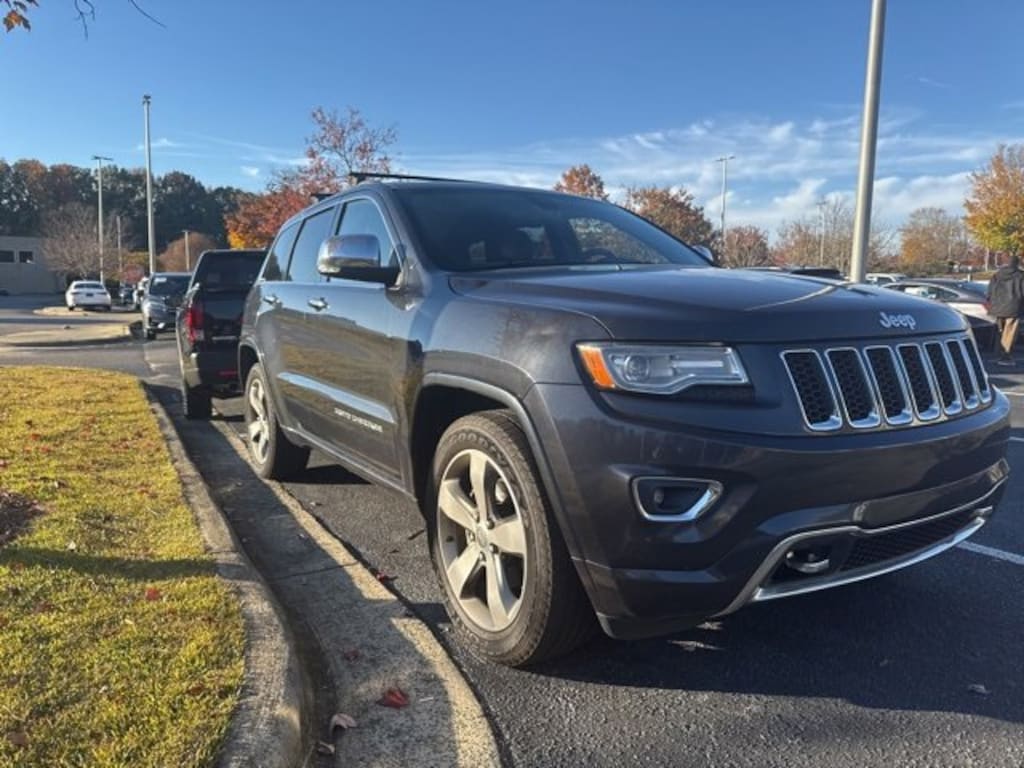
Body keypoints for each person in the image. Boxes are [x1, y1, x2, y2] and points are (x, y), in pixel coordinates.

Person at [986, 254, 1024, 365]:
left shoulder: (997, 275)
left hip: (998, 307)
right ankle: (1005, 355)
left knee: (1000, 331)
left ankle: (998, 354)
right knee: (1010, 332)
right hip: (1014, 307)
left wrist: (992, 302)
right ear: (1017, 263)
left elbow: (990, 291)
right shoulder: (1021, 276)